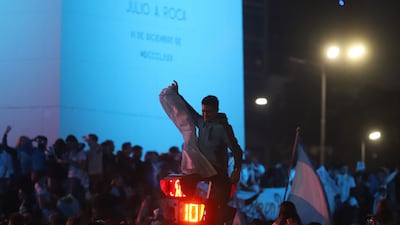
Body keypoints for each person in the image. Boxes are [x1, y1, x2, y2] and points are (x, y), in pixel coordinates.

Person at [159, 81, 243, 225]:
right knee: (186, 183)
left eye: (208, 112)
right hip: (203, 170)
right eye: (203, 111)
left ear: (216, 110)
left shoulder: (223, 128)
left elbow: (237, 150)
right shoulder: (202, 122)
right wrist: (178, 96)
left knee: (214, 215)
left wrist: (237, 170)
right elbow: (189, 111)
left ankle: (226, 214)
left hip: (218, 175)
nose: (205, 115)